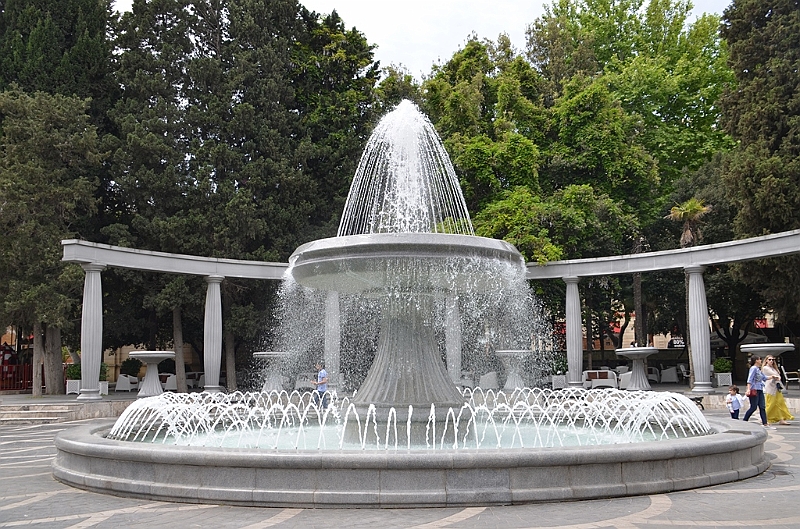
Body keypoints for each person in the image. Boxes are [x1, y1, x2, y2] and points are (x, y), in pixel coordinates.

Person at [761, 356, 794, 425]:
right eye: (769, 359)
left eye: (773, 360)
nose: (771, 361)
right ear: (766, 360)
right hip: (770, 388)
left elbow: (778, 376)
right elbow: (775, 375)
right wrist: (776, 376)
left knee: (780, 403)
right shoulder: (765, 368)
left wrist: (777, 376)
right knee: (770, 404)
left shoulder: (773, 368)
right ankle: (764, 418)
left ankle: (782, 419)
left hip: (776, 388)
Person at [743, 356, 773, 429]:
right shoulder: (753, 368)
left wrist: (773, 377)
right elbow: (749, 379)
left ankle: (765, 423)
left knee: (762, 406)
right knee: (753, 407)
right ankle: (744, 421)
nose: (761, 361)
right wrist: (748, 389)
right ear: (756, 360)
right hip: (754, 389)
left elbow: (764, 377)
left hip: (760, 389)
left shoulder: (758, 369)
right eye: (759, 359)